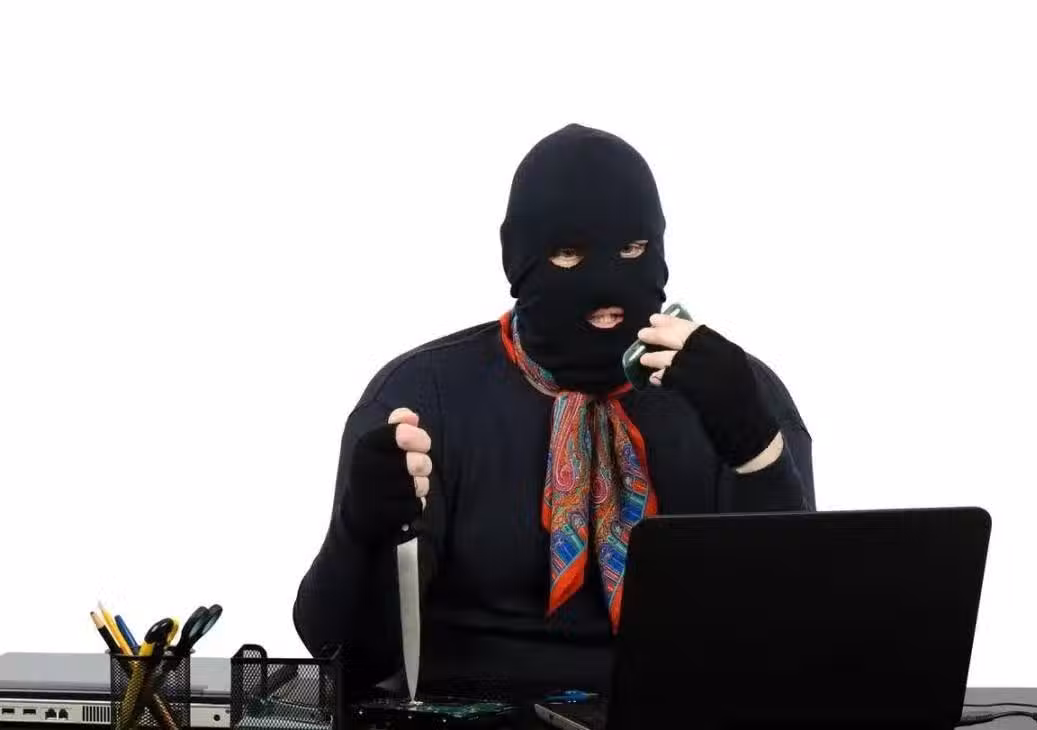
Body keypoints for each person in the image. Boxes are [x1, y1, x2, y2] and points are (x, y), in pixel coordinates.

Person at [292, 123, 814, 700]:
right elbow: (345, 657)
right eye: (569, 254)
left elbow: (794, 640)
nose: (607, 283)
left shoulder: (740, 391)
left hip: (685, 712)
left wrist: (758, 456)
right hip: (468, 713)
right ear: (518, 260)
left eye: (632, 250)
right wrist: (361, 531)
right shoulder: (422, 399)